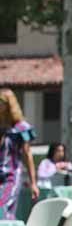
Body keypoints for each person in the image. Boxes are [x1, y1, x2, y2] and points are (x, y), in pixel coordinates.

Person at [0, 89, 37, 218]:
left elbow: (27, 155)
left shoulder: (21, 128)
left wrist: (33, 183)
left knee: (3, 206)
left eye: (2, 102)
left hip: (11, 175)